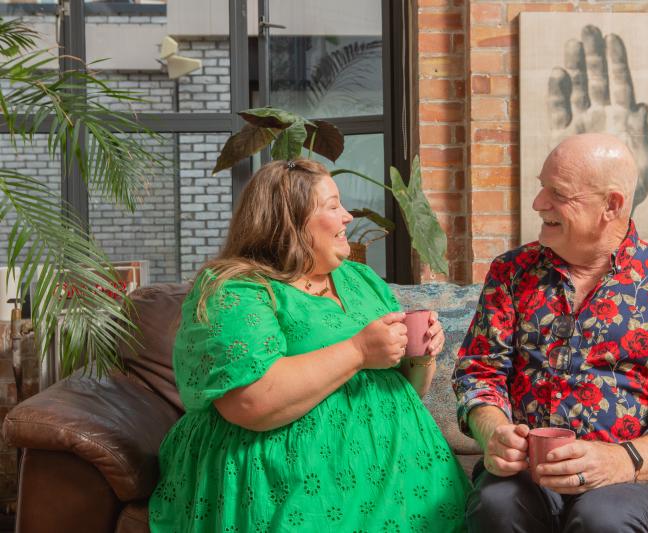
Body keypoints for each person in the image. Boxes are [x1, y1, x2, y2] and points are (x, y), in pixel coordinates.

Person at [149, 158, 470, 532]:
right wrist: (359, 351)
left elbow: (411, 388)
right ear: (288, 222)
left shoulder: (360, 278)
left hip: (406, 469)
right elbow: (250, 402)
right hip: (293, 470)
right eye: (333, 206)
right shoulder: (238, 290)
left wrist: (420, 355)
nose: (348, 216)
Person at [452, 133, 648, 533]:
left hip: (630, 476)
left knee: (603, 521)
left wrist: (621, 460)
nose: (539, 203)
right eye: (542, 187)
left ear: (611, 205)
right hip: (526, 473)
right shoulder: (510, 272)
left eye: (557, 193)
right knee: (495, 507)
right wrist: (493, 432)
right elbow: (479, 373)